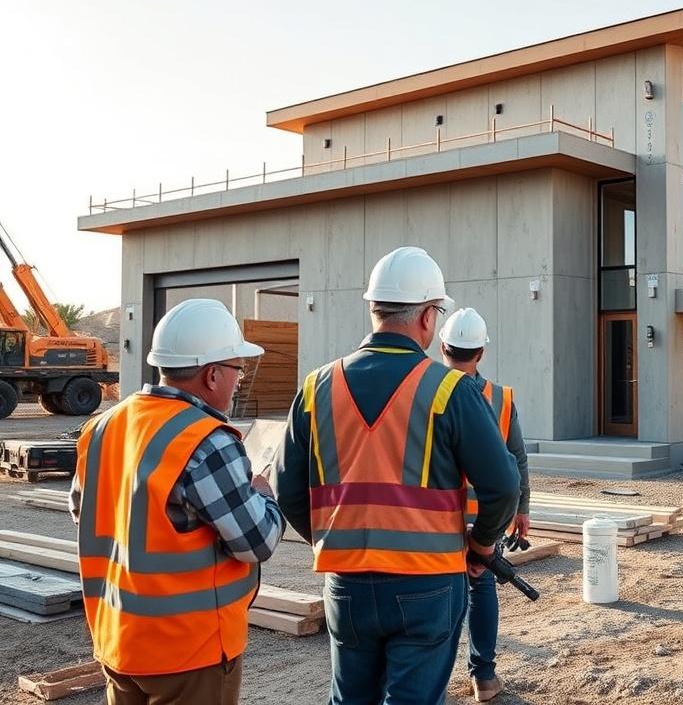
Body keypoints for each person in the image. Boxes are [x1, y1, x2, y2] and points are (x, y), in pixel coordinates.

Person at [270, 246, 521, 705]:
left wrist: (333, 539)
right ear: (427, 317)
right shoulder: (450, 389)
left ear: (374, 309)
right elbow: (503, 485)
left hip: (346, 583)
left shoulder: (316, 386)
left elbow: (287, 489)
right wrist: (483, 546)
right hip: (427, 581)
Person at [70, 298, 284, 704]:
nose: (239, 381)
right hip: (189, 652)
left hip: (119, 640)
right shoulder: (207, 441)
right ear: (212, 375)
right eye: (238, 370)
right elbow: (257, 541)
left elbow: (84, 511)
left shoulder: (102, 427)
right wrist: (264, 495)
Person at [438, 307, 530, 703]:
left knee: (439, 596)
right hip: (486, 519)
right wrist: (522, 508)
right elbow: (517, 457)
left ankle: (433, 680)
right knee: (481, 588)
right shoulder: (500, 398)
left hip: (435, 519)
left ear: (442, 347)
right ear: (481, 352)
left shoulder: (424, 392)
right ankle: (485, 677)